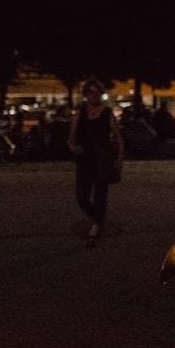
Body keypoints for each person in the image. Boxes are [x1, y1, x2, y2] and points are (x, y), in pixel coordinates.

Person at [68, 78, 124, 246]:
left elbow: (118, 138)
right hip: (85, 160)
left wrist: (119, 159)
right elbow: (71, 137)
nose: (94, 95)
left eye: (97, 92)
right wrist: (73, 147)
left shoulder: (107, 113)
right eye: (91, 92)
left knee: (100, 195)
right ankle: (98, 218)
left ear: (101, 94)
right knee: (81, 196)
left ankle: (95, 228)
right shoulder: (80, 113)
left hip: (103, 159)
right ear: (86, 94)